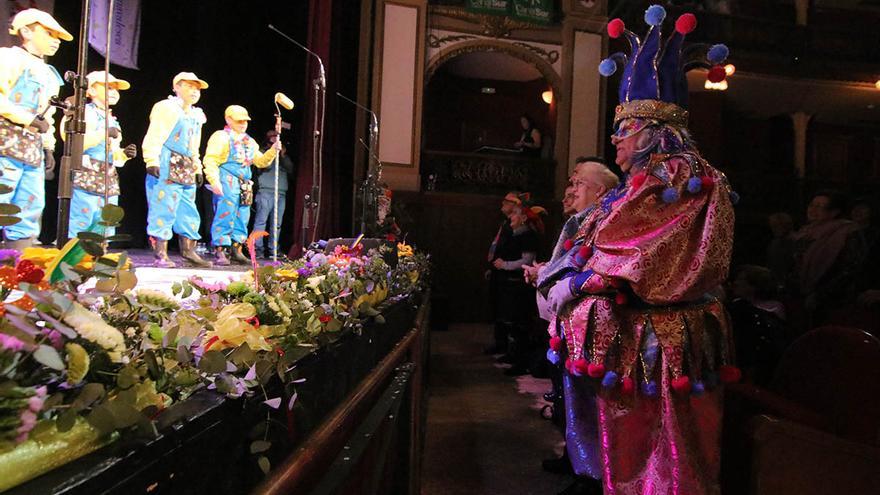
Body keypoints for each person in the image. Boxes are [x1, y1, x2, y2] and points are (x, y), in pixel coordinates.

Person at [546, 7, 737, 494]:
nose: (615, 140)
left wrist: (581, 279)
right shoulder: (643, 179)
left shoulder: (677, 176)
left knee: (661, 448)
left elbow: (632, 251)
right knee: (632, 440)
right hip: (642, 331)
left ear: (654, 130)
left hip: (662, 335)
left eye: (624, 131)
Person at [0, 9, 71, 250]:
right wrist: (27, 119)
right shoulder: (9, 58)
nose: (55, 41)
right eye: (49, 33)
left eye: (58, 37)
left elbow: (47, 114)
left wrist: (48, 147)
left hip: (31, 149)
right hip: (4, 142)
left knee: (30, 205)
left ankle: (16, 265)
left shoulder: (49, 74)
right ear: (27, 31)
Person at [142, 72, 212, 268]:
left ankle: (188, 250)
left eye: (197, 88)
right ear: (177, 87)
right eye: (189, 86)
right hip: (167, 159)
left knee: (188, 208)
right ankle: (160, 253)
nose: (194, 91)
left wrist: (197, 167)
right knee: (164, 205)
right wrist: (151, 159)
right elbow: (154, 134)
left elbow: (195, 145)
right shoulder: (167, 108)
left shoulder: (196, 115)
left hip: (186, 163)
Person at [63, 71, 137, 239]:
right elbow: (75, 143)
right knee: (83, 218)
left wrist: (124, 154)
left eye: (115, 89)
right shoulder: (84, 112)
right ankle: (77, 258)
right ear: (91, 90)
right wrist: (103, 133)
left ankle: (99, 257)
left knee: (105, 221)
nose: (113, 92)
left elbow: (113, 152)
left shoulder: (112, 119)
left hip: (107, 175)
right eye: (108, 87)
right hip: (87, 171)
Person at [203, 106, 279, 265]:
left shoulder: (249, 141)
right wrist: (214, 181)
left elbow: (261, 161)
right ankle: (220, 249)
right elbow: (210, 160)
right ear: (228, 120)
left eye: (245, 120)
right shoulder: (221, 137)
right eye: (239, 120)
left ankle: (236, 249)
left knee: (242, 216)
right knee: (225, 213)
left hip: (245, 183)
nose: (243, 123)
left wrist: (272, 150)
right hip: (227, 178)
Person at [789, 190, 865, 325]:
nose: (813, 210)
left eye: (820, 207)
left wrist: (819, 294)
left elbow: (849, 268)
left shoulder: (847, 232)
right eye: (812, 205)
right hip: (802, 296)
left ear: (834, 212)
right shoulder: (807, 232)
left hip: (832, 300)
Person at [492, 196, 544, 376]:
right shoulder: (515, 234)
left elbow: (527, 260)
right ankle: (513, 355)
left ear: (523, 218)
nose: (510, 217)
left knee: (521, 325)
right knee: (512, 323)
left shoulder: (528, 235)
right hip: (510, 284)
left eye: (514, 214)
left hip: (520, 286)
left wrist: (505, 265)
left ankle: (521, 361)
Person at [484, 191, 522, 355]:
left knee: (507, 312)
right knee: (498, 309)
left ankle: (507, 346)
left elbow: (518, 253)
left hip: (510, 275)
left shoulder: (519, 228)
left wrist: (504, 265)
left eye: (507, 201)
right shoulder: (506, 223)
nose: (503, 204)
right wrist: (491, 267)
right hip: (498, 271)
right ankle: (500, 342)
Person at [252, 129, 294, 259]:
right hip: (266, 191)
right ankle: (257, 249)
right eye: (273, 137)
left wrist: (282, 156)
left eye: (277, 137)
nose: (275, 139)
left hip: (280, 192)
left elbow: (290, 169)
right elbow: (262, 166)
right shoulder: (262, 153)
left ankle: (274, 250)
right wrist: (272, 153)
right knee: (261, 222)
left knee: (277, 224)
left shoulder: (283, 155)